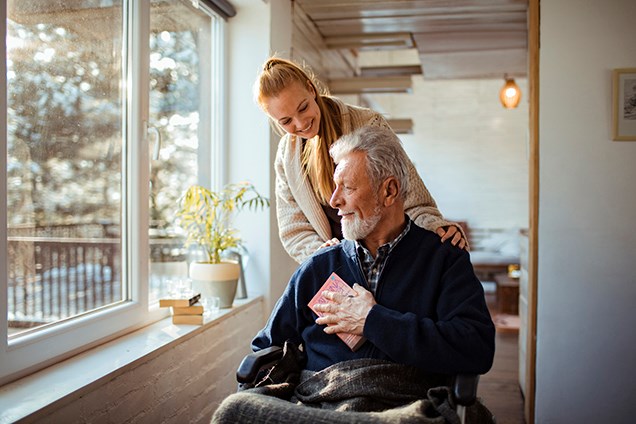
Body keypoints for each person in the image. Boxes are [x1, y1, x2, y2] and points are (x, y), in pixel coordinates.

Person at [211, 126, 495, 423]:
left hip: (403, 405)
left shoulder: (444, 259)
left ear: (389, 191)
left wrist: (373, 321)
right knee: (235, 409)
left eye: (347, 187)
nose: (334, 201)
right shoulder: (320, 265)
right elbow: (266, 345)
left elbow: (476, 348)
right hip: (319, 403)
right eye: (335, 187)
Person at [255, 57, 467, 263]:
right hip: (336, 267)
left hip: (389, 256)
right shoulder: (286, 156)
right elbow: (294, 229)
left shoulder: (368, 123)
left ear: (311, 89)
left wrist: (436, 227)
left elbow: (409, 194)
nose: (300, 123)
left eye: (303, 108)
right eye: (286, 121)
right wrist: (321, 255)